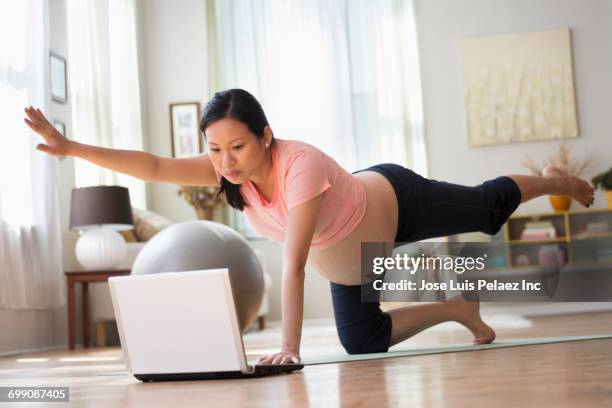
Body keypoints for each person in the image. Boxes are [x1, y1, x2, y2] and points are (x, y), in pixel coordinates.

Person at [24, 89, 595, 365]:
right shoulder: (231, 172)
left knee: (487, 210)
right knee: (361, 341)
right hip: (353, 256)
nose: (225, 160)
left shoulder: (298, 166)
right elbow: (150, 165)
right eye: (215, 149)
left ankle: (553, 180)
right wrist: (71, 146)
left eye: (238, 146)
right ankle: (459, 309)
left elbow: (293, 262)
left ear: (266, 136)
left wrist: (289, 347)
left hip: (396, 201)